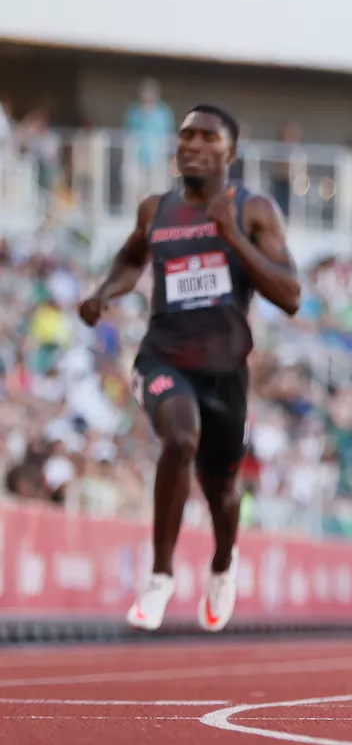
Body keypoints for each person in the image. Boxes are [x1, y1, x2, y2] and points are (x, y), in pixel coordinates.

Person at [78, 104, 301, 632]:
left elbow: (290, 296)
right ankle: (159, 578)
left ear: (232, 152)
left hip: (225, 374)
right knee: (179, 439)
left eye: (208, 137)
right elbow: (133, 257)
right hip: (163, 358)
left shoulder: (253, 210)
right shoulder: (156, 210)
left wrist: (234, 239)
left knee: (223, 491)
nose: (194, 145)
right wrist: (104, 292)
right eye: (186, 136)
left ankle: (223, 565)